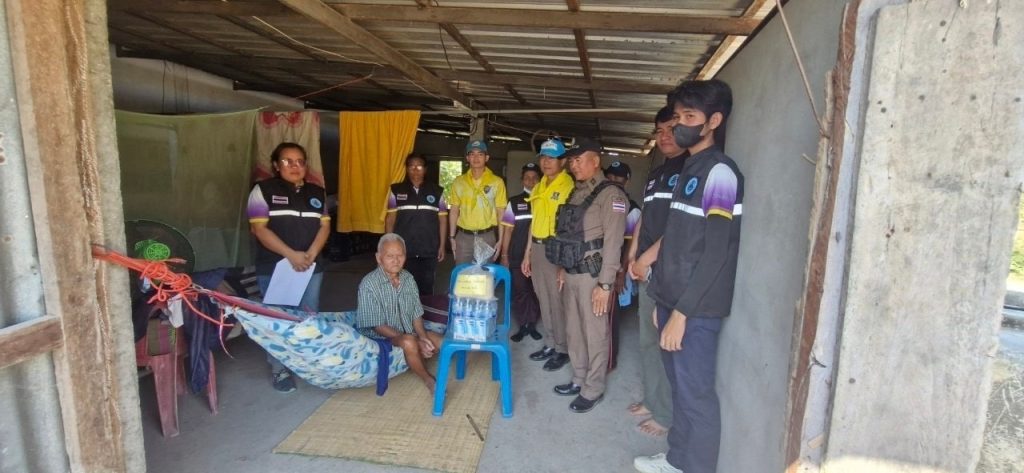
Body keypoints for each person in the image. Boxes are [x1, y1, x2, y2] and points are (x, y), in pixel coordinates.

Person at [633, 80, 742, 473]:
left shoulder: (721, 174)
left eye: (689, 116)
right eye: (678, 116)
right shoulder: (688, 170)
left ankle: (694, 467)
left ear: (714, 121)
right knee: (679, 387)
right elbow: (677, 241)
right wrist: (662, 301)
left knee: (695, 394)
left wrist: (681, 313)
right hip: (672, 299)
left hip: (695, 309)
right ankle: (677, 459)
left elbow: (716, 252)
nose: (680, 124)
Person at [550, 138, 627, 413]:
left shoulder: (611, 195)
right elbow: (568, 235)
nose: (573, 165)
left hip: (593, 277)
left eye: (578, 160)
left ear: (595, 161)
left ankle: (593, 388)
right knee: (573, 330)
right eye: (571, 160)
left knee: (594, 334)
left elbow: (614, 243)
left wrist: (605, 285)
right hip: (571, 273)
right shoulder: (576, 192)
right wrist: (562, 267)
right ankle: (579, 378)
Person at [247, 142, 331, 393]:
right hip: (277, 268)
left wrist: (310, 255)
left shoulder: (317, 193)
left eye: (300, 161)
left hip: (311, 267)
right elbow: (259, 229)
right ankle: (279, 369)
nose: (295, 166)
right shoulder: (263, 190)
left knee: (308, 316)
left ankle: (307, 364)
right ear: (276, 165)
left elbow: (324, 226)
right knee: (280, 319)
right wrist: (291, 256)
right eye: (288, 161)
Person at [625, 106, 687, 437]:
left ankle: (665, 414)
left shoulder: (691, 170)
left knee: (666, 345)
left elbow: (681, 226)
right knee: (648, 341)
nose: (665, 137)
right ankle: (653, 400)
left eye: (671, 130)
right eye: (660, 131)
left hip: (668, 272)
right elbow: (646, 218)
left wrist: (646, 259)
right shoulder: (656, 174)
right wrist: (633, 254)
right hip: (646, 269)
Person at [355, 233, 445, 393]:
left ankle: (416, 355)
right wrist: (414, 340)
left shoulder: (408, 278)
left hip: (407, 332)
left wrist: (423, 337)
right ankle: (429, 380)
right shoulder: (369, 284)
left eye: (400, 255)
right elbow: (378, 326)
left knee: (440, 341)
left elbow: (416, 313)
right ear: (379, 258)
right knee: (409, 342)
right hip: (380, 337)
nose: (396, 261)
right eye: (390, 256)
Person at [521, 138, 574, 371]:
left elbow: (570, 227)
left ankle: (563, 349)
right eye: (543, 157)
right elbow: (534, 222)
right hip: (538, 248)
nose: (546, 162)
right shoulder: (540, 185)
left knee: (557, 301)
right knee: (543, 298)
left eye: (552, 158)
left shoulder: (568, 187)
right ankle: (551, 343)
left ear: (563, 161)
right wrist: (527, 253)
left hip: (556, 249)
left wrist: (563, 263)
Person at [385, 154, 448, 295]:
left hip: (429, 248)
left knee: (426, 287)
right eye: (411, 166)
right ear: (406, 169)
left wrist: (442, 245)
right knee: (403, 286)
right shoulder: (396, 190)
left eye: (419, 166)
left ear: (425, 169)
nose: (415, 170)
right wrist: (388, 245)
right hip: (403, 249)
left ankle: (423, 309)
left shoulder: (437, 191)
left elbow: (443, 220)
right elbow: (390, 219)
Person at [602, 160, 642, 372]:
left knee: (609, 317)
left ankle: (609, 361)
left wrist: (620, 273)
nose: (614, 181)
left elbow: (629, 246)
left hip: (616, 269)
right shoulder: (601, 201)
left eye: (619, 177)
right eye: (610, 176)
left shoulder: (632, 209)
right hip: (598, 267)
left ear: (627, 181)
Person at [500, 162, 543, 342]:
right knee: (520, 290)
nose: (531, 181)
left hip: (539, 255)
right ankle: (523, 324)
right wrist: (504, 255)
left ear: (540, 180)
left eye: (534, 178)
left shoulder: (544, 200)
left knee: (535, 291)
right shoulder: (514, 202)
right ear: (522, 180)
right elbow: (508, 230)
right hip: (517, 254)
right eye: (527, 178)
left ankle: (532, 324)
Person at [447, 140, 507, 264]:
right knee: (462, 272)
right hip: (463, 237)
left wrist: (501, 240)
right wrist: (452, 237)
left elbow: (501, 212)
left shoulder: (497, 182)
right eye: (472, 154)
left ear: (486, 158)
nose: (476, 158)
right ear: (467, 158)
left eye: (480, 154)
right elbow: (454, 210)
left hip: (486, 236)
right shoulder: (458, 182)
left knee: (484, 274)